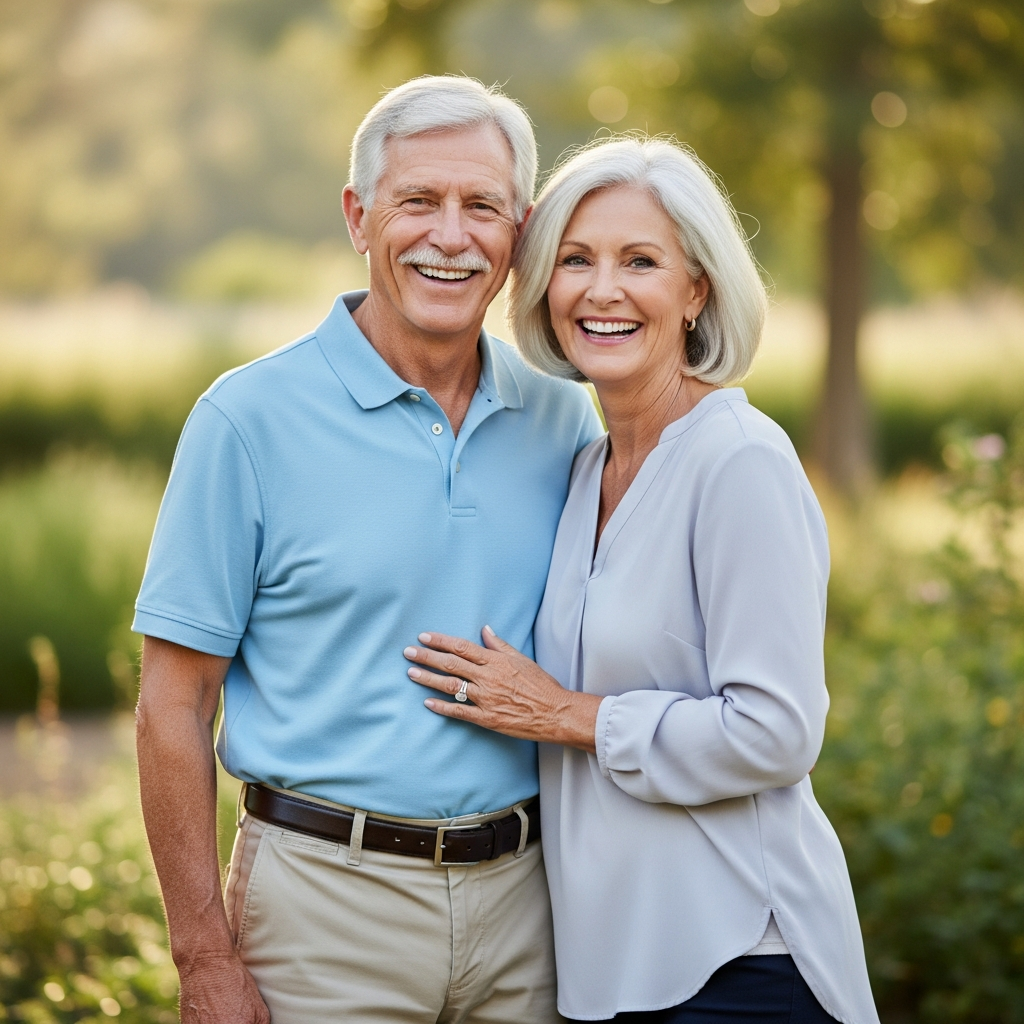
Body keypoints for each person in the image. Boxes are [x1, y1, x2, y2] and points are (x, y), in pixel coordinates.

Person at [133, 76, 602, 1024]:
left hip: (534, 908)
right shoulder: (247, 420)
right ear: (358, 217)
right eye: (418, 200)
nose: (450, 236)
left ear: (520, 235)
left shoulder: (565, 418)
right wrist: (203, 957)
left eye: (483, 207)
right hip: (323, 912)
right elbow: (171, 706)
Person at [403, 136, 881, 1024]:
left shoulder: (738, 461)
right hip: (613, 969)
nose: (603, 290)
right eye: (576, 260)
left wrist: (569, 715)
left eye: (640, 262)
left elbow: (778, 733)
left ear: (696, 289)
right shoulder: (586, 468)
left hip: (741, 958)